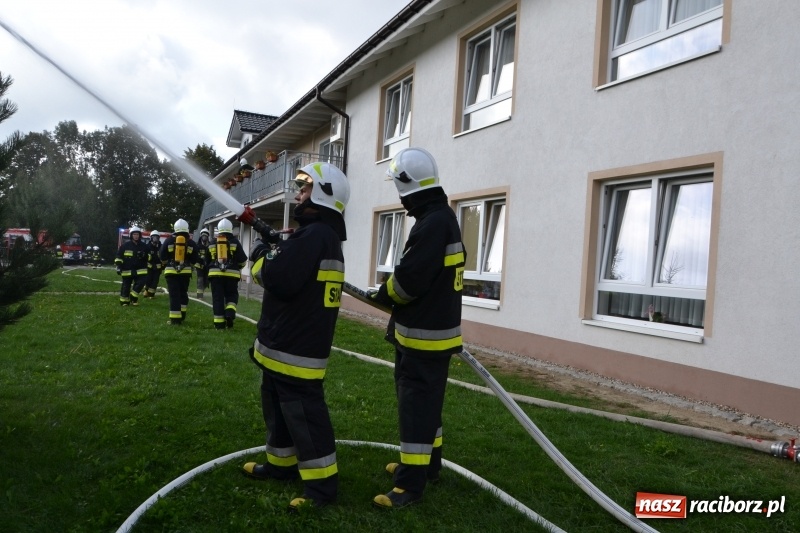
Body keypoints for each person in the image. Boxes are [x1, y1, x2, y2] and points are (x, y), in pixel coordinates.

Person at [238, 161, 349, 511]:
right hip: (287, 346)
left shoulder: (315, 236)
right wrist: (279, 247)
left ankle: (322, 490)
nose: (299, 194)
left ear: (324, 196)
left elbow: (280, 278)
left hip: (295, 348)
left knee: (305, 417)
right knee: (278, 408)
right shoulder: (317, 237)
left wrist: (259, 257)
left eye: (305, 189)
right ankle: (281, 464)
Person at [367, 148, 465, 510]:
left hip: (423, 339)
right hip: (432, 336)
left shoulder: (431, 224)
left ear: (409, 187)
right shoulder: (441, 218)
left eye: (398, 187)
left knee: (415, 411)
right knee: (428, 410)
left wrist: (383, 294)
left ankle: (409, 486)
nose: (398, 196)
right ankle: (428, 467)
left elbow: (407, 282)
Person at [207, 219, 247, 329]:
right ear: (231, 229)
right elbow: (243, 260)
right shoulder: (235, 242)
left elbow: (206, 261)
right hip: (232, 276)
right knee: (232, 295)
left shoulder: (212, 243)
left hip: (215, 275)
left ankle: (219, 325)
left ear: (219, 230)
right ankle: (229, 313)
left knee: (217, 298)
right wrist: (236, 267)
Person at [160, 219, 200, 325]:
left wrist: (167, 262)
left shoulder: (168, 241)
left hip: (171, 272)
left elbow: (162, 256)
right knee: (183, 293)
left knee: (174, 295)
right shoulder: (191, 243)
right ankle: (182, 315)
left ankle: (175, 319)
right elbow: (195, 259)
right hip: (185, 273)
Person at [114, 226, 149, 306]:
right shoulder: (125, 246)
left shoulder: (144, 246)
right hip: (127, 270)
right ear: (131, 235)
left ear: (140, 235)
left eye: (137, 234)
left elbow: (150, 257)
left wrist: (144, 255)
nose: (136, 236)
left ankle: (133, 297)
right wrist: (119, 266)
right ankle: (124, 301)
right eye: (134, 234)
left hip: (140, 270)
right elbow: (119, 256)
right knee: (126, 286)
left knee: (141, 283)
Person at [143, 230, 163, 298]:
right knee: (148, 280)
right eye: (154, 237)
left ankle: (151, 294)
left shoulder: (161, 247)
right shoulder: (147, 247)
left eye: (157, 237)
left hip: (158, 268)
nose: (155, 239)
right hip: (149, 267)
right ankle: (146, 290)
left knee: (155, 281)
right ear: (151, 238)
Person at [195, 228, 210, 298]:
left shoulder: (210, 246)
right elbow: (195, 255)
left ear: (207, 237)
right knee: (200, 280)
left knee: (207, 281)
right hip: (199, 266)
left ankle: (202, 291)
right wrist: (200, 259)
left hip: (207, 267)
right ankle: (199, 296)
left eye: (205, 236)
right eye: (203, 236)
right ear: (201, 236)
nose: (204, 237)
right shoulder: (197, 246)